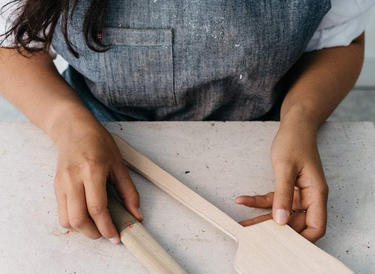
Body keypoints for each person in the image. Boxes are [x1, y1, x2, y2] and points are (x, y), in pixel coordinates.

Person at [0, 0, 373, 245]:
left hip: (265, 140)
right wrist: (68, 124)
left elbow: (342, 43)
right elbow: (12, 49)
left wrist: (301, 119)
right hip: (94, 137)